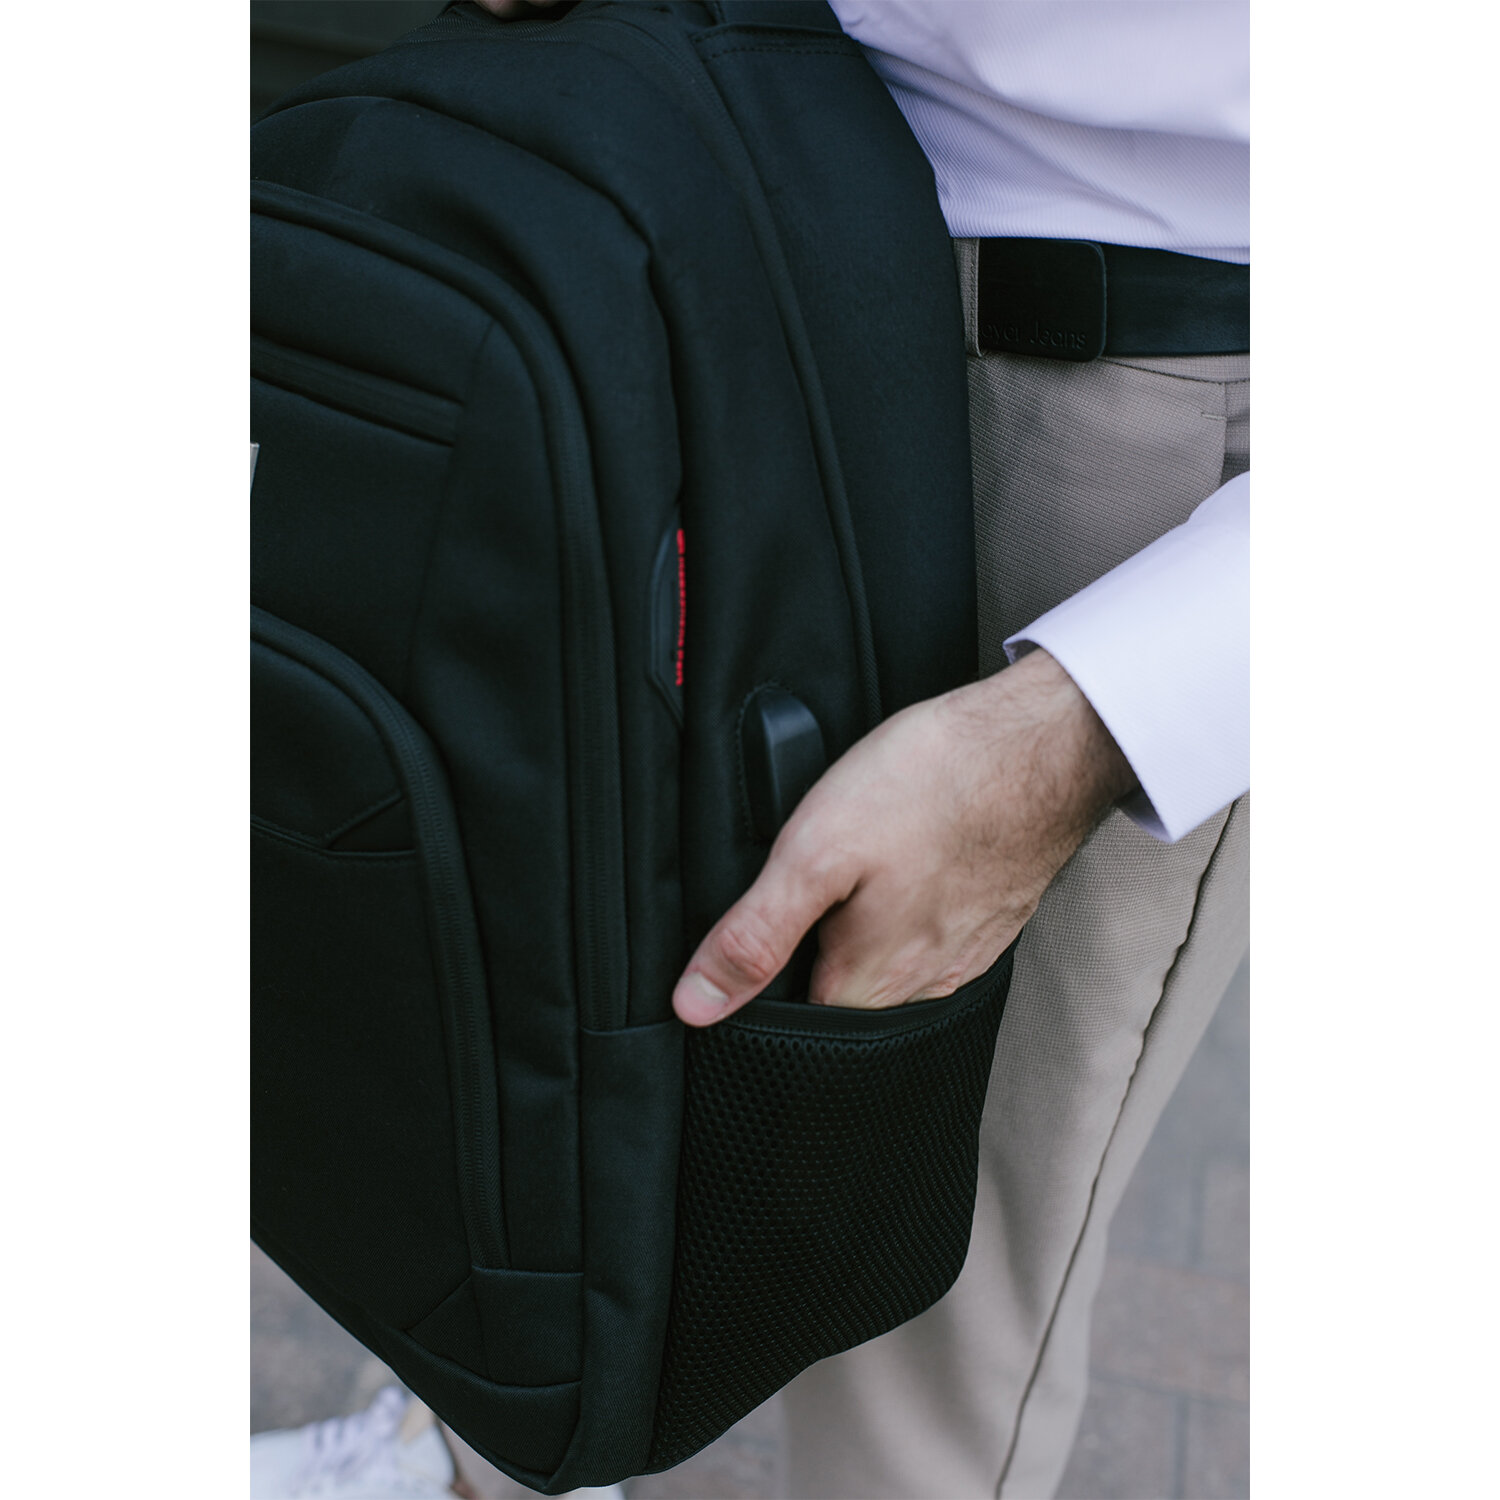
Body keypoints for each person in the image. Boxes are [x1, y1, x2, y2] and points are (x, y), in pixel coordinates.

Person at [256, 3, 1248, 1496]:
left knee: (930, 1296)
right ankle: (472, 1465)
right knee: (501, 1007)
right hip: (659, 225)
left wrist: (1090, 721)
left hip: (1088, 368)